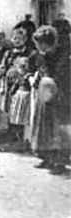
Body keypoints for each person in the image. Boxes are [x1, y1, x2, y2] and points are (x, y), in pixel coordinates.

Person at [29, 26, 69, 174]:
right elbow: (41, 71)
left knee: (58, 128)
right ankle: (46, 157)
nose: (37, 46)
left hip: (60, 95)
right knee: (43, 126)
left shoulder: (63, 56)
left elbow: (61, 76)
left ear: (46, 43)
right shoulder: (41, 55)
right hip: (44, 95)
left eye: (39, 43)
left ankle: (59, 161)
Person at [7, 57, 31, 147]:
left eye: (23, 68)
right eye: (20, 68)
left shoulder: (29, 77)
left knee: (24, 118)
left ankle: (24, 140)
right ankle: (17, 138)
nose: (21, 70)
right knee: (16, 118)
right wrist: (11, 93)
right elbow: (14, 87)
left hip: (25, 97)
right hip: (18, 97)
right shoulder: (19, 77)